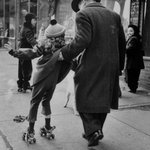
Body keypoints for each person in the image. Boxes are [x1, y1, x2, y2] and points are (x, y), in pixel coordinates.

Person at [58, 0, 126, 147]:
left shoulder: (84, 14)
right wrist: (119, 66)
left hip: (92, 64)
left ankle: (93, 130)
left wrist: (64, 53)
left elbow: (82, 40)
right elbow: (122, 42)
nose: (78, 9)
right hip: (111, 64)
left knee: (82, 94)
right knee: (103, 98)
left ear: (83, 1)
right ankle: (95, 131)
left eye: (78, 6)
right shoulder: (114, 15)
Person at [4, 19, 71, 143]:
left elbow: (29, 55)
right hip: (53, 80)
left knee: (34, 103)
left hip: (42, 78)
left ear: (48, 35)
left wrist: (12, 52)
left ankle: (30, 131)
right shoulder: (66, 48)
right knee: (46, 101)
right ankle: (48, 127)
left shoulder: (45, 46)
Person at [17, 13, 37, 93]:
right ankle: (24, 86)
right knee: (27, 69)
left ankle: (21, 85)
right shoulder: (28, 29)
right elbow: (30, 39)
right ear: (30, 20)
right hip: (25, 51)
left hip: (22, 50)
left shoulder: (24, 27)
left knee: (22, 68)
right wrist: (37, 45)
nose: (35, 22)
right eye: (34, 20)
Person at [125, 24, 145, 93]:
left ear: (135, 31)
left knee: (132, 76)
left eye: (131, 31)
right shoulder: (134, 38)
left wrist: (124, 49)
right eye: (128, 31)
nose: (129, 33)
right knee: (133, 76)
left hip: (133, 62)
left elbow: (129, 49)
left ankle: (133, 89)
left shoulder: (134, 39)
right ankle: (133, 88)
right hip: (135, 62)